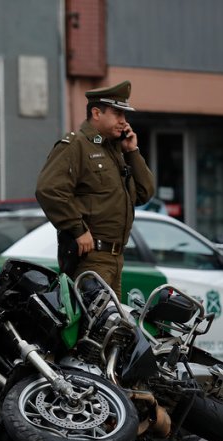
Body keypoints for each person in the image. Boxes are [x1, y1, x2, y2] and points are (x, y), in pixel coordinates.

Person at [35, 81, 155, 298]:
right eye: (118, 114)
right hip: (91, 258)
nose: (123, 121)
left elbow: (144, 193)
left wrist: (132, 152)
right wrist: (77, 229)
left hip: (115, 259)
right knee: (91, 328)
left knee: (111, 329)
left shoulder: (115, 150)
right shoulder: (76, 145)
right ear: (97, 113)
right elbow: (48, 189)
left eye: (125, 115)